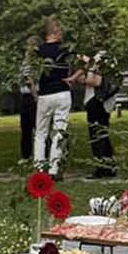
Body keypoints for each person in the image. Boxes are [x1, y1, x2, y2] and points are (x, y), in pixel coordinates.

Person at [33, 17, 74, 173]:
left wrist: (34, 90)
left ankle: (39, 168)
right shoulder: (66, 50)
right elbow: (87, 62)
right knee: (59, 131)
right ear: (55, 33)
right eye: (60, 31)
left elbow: (29, 73)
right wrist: (73, 78)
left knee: (41, 133)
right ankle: (54, 168)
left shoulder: (38, 52)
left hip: (45, 94)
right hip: (62, 92)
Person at [75, 50, 115, 178]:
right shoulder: (106, 57)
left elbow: (97, 81)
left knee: (97, 135)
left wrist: (83, 79)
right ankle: (109, 166)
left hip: (97, 101)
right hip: (102, 102)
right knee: (103, 134)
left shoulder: (102, 57)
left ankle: (101, 168)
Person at [18, 35, 37, 161]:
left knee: (38, 125)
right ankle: (26, 154)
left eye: (31, 45)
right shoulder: (25, 61)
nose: (28, 47)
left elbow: (29, 79)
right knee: (25, 127)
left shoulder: (38, 62)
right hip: (25, 96)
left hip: (34, 95)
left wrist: (35, 95)